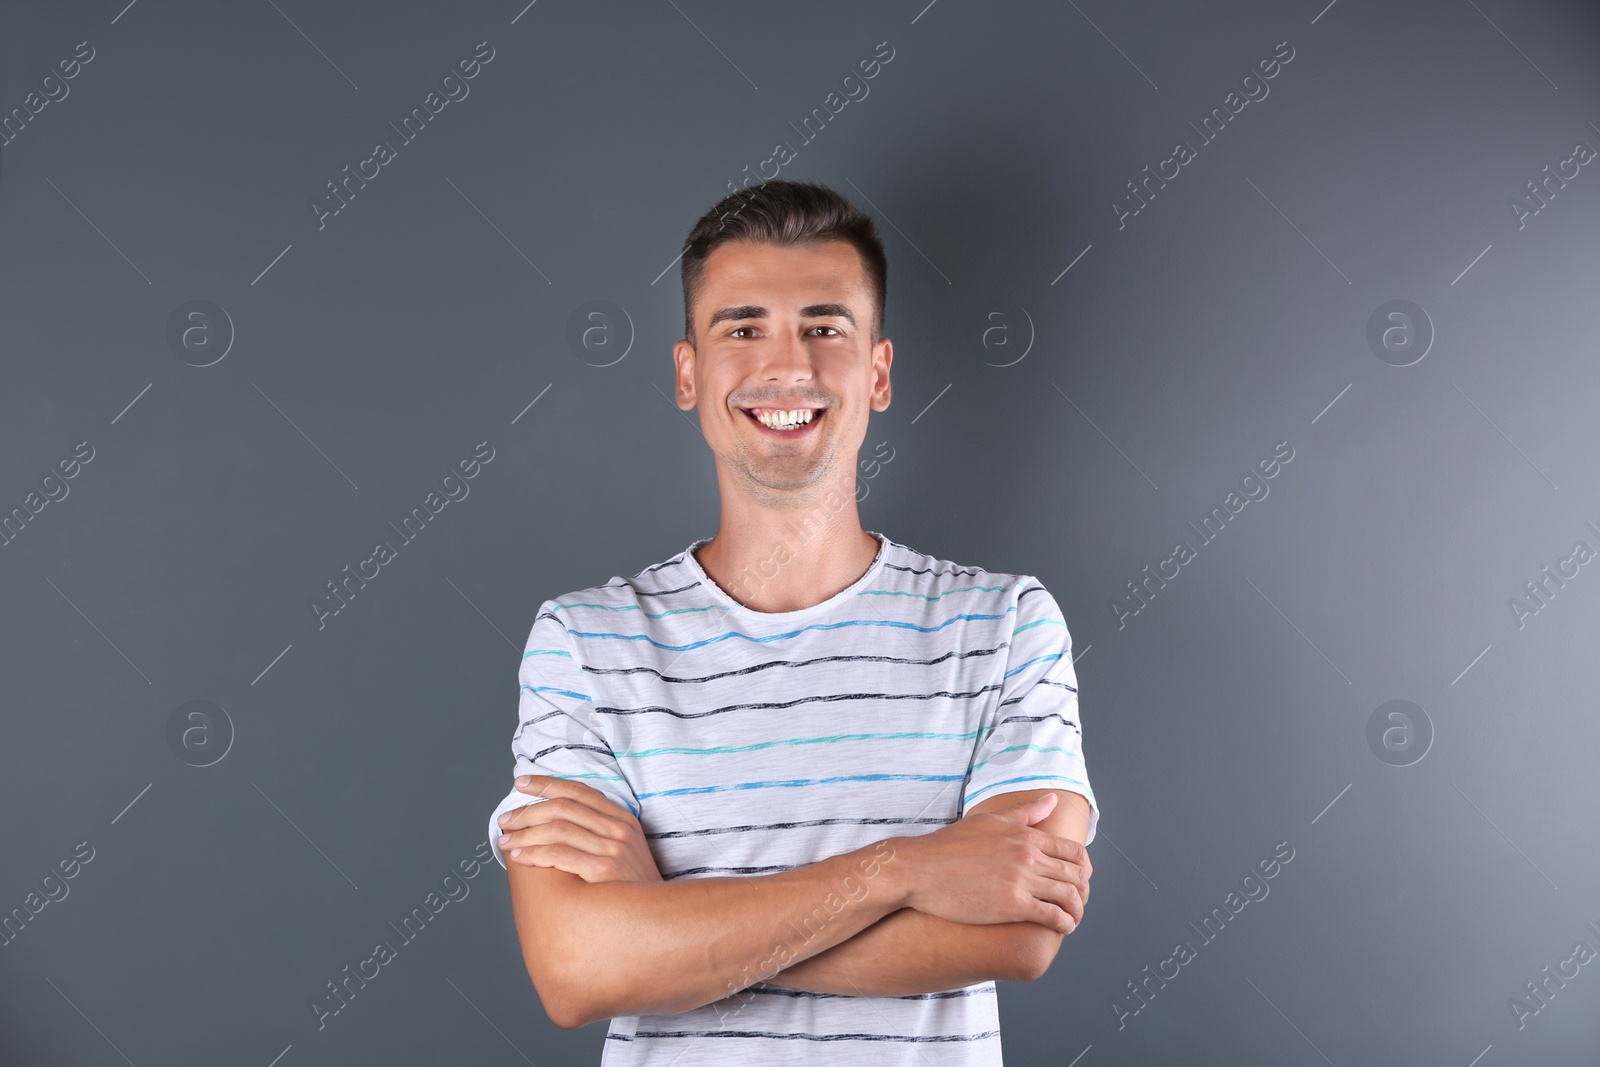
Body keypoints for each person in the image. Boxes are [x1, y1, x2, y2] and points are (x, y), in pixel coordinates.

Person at [485, 178, 1101, 1064]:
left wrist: (666, 929)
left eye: (824, 326)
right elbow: (576, 968)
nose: (789, 367)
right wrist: (904, 869)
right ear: (688, 373)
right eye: (743, 328)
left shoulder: (1005, 624)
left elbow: (1016, 932)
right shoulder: (584, 643)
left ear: (878, 372)